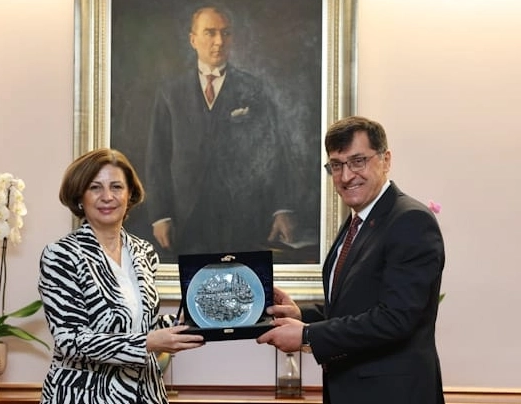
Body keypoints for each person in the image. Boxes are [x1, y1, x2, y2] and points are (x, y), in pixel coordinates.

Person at [257, 116, 446, 404]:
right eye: (336, 165)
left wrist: (307, 335)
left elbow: (395, 319)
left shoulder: (411, 220)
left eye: (358, 161)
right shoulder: (358, 221)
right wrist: (302, 316)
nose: (346, 176)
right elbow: (355, 305)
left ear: (385, 160)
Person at [38, 148, 204, 404]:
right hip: (83, 395)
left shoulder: (144, 252)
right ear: (80, 196)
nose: (107, 197)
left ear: (130, 195)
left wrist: (188, 318)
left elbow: (141, 327)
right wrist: (147, 343)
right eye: (95, 188)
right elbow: (70, 340)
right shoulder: (61, 255)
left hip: (145, 394)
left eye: (116, 187)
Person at [145, 4, 296, 257]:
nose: (219, 41)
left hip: (243, 218)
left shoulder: (253, 88)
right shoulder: (171, 92)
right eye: (210, 32)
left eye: (226, 33)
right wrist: (160, 215)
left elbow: (274, 152)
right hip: (186, 218)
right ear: (193, 40)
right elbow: (157, 158)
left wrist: (281, 209)